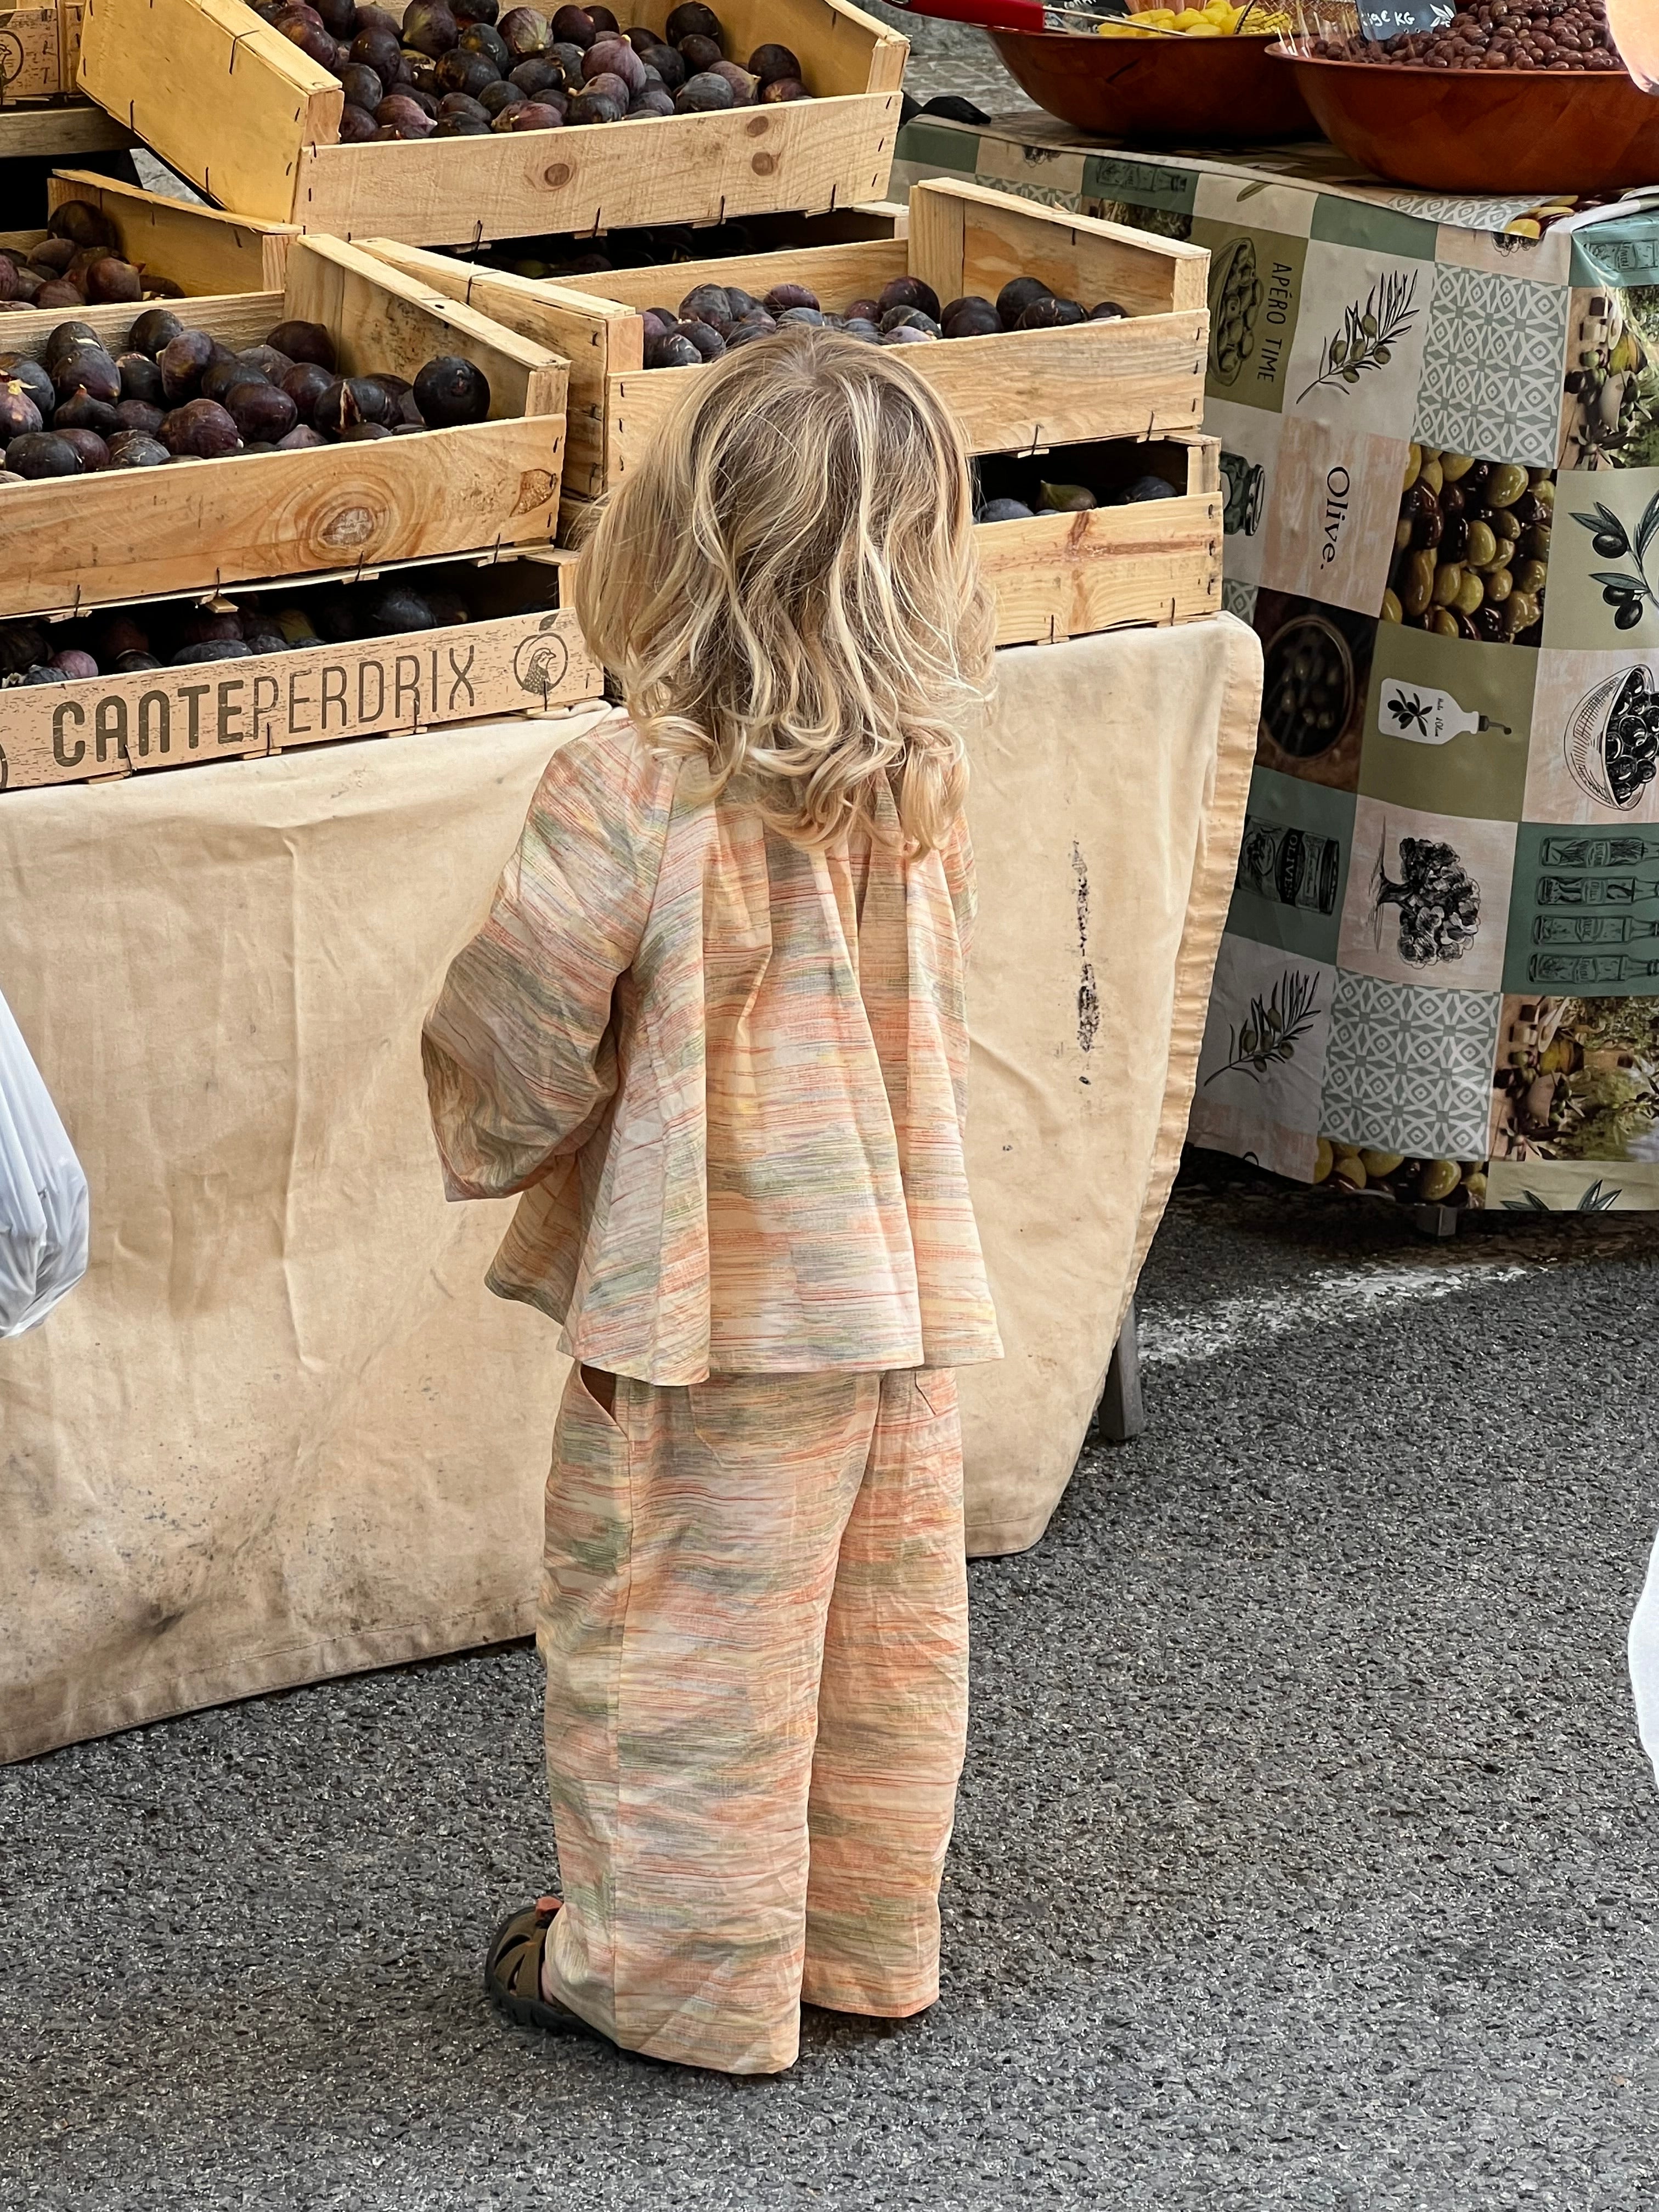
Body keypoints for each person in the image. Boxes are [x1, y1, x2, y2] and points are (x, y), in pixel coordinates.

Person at [422, 328, 1002, 2076]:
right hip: (890, 1290)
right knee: (877, 1636)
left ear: (673, 540)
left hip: (710, 1301)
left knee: (678, 1643)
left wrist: (495, 1126)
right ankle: (863, 1941)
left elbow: (520, 1021)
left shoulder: (631, 781)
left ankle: (678, 1982)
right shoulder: (918, 777)